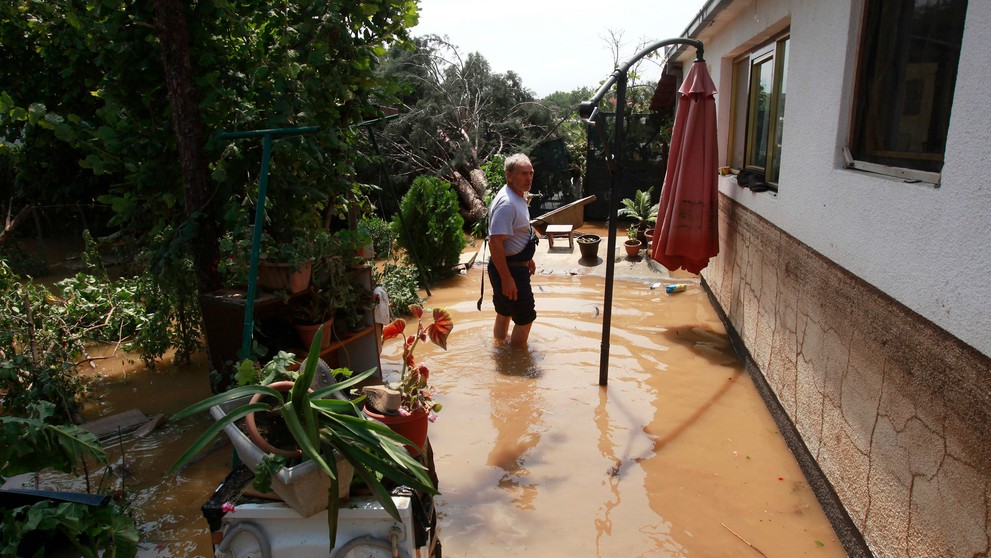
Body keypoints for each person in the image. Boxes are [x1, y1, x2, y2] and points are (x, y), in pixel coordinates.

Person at [487, 153, 538, 347]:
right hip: (509, 271)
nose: (528, 178)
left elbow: (516, 233)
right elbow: (495, 243)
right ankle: (516, 362)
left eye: (531, 173)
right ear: (509, 176)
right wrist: (507, 278)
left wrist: (528, 258)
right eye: (523, 173)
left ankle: (499, 348)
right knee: (525, 319)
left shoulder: (516, 196)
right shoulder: (507, 203)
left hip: (512, 266)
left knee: (504, 312)